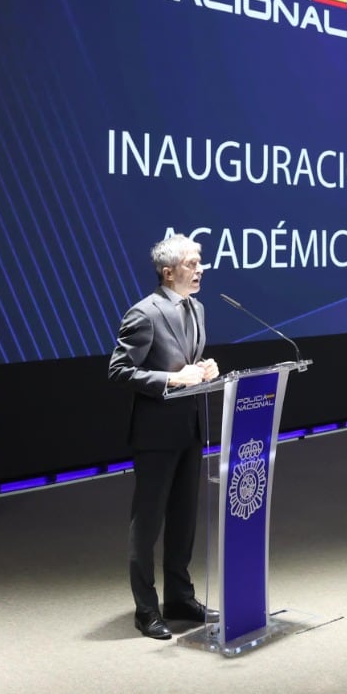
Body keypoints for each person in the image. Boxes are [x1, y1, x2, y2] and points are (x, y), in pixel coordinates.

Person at [107, 234, 221, 640]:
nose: (200, 268)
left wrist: (204, 368)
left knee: (184, 520)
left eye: (200, 261)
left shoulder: (198, 308)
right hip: (155, 434)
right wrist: (172, 378)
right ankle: (146, 608)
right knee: (148, 523)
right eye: (192, 263)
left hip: (190, 428)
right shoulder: (144, 313)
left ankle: (179, 597)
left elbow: (187, 362)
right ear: (168, 271)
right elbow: (119, 370)